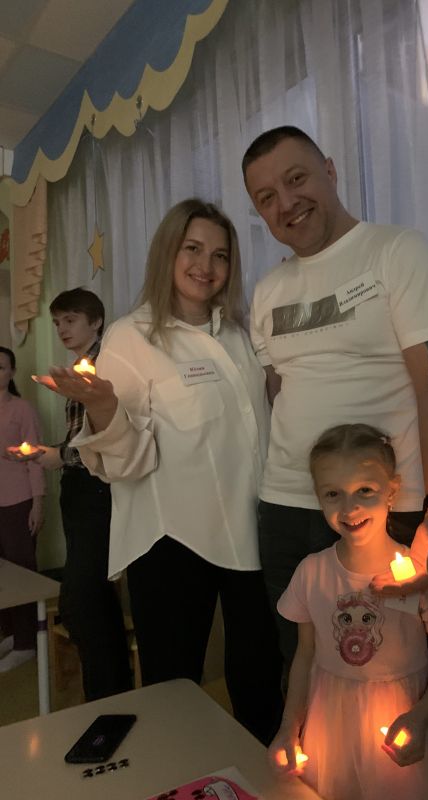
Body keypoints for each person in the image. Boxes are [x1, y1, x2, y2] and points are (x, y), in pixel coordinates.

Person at [39, 199, 283, 744]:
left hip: (250, 527)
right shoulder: (132, 337)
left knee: (260, 675)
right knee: (174, 688)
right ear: (168, 252)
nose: (206, 265)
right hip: (172, 537)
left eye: (220, 254)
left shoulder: (238, 334)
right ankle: (179, 774)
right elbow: (123, 462)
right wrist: (104, 408)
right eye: (192, 249)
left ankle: (262, 773)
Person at [243, 125, 428, 666]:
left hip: (384, 508)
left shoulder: (397, 251)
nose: (286, 203)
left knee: (397, 670)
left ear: (330, 170)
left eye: (296, 179)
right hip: (286, 505)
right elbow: (279, 394)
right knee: (302, 666)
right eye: (266, 197)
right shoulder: (267, 290)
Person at [269, 424, 428, 800]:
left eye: (365, 490)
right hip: (332, 732)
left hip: (409, 724)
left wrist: (420, 718)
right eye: (333, 494)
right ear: (318, 497)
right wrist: (288, 729)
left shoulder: (419, 575)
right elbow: (305, 656)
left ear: (391, 491)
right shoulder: (311, 573)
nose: (350, 508)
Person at [33, 288, 132, 701]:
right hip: (79, 487)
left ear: (96, 321)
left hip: (97, 490)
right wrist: (52, 452)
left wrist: (61, 455)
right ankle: (108, 690)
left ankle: (109, 695)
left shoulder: (107, 365)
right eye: (57, 322)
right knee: (85, 598)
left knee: (86, 597)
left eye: (70, 320)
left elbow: (111, 438)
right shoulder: (79, 367)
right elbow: (82, 436)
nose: (62, 329)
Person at [0, 346, 45, 672]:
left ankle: (27, 643)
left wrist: (38, 503)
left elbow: (36, 458)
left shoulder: (22, 409)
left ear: (12, 372)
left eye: (1, 367)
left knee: (22, 570)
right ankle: (12, 633)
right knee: (3, 574)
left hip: (18, 500)